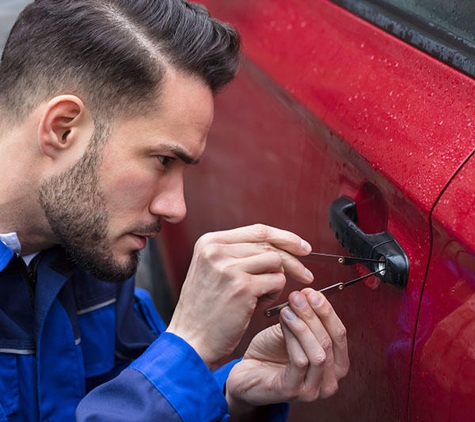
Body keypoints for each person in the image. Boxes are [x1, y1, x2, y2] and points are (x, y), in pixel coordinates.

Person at [0, 0, 349, 421]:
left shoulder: (88, 245)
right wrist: (191, 344)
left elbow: (119, 398)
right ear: (64, 128)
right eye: (163, 161)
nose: (176, 208)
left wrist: (229, 395)